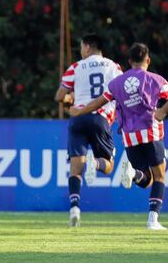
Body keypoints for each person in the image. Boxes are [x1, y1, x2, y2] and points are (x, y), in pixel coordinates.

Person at [71, 43, 168, 230]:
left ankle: (132, 173)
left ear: (129, 61)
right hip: (151, 131)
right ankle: (152, 220)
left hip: (129, 137)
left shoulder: (116, 83)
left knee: (146, 180)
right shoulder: (156, 80)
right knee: (159, 176)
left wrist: (79, 111)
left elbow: (97, 103)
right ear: (148, 60)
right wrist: (167, 108)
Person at [54, 34, 122, 227]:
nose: (80, 50)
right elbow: (121, 92)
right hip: (101, 119)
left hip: (78, 118)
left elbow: (59, 96)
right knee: (108, 166)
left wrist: (70, 99)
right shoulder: (113, 66)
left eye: (81, 46)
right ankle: (96, 163)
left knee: (75, 169)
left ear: (88, 46)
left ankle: (74, 208)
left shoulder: (76, 67)